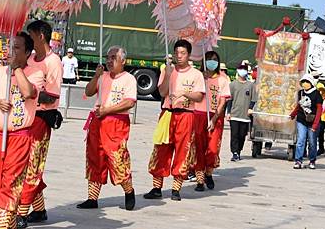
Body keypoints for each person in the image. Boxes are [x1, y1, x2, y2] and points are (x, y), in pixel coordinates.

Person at [0, 32, 43, 229]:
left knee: (11, 187)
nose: (10, 52)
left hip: (20, 138)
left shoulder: (36, 73)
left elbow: (28, 92)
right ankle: (10, 223)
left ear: (28, 52)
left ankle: (1, 225)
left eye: (16, 48)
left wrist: (17, 70)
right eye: (9, 47)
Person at [76, 46, 136, 211]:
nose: (110, 61)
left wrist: (107, 110)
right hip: (97, 122)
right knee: (95, 158)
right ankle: (92, 198)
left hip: (116, 123)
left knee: (118, 160)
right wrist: (96, 76)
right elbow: (88, 92)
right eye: (108, 57)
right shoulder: (102, 76)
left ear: (122, 61)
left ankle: (129, 191)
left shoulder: (129, 79)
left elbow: (130, 102)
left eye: (114, 58)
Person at [144, 39, 205, 202]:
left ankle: (176, 189)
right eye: (177, 53)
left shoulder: (196, 74)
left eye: (183, 53)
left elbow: (199, 96)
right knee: (161, 149)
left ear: (189, 55)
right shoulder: (167, 70)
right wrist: (169, 73)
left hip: (186, 115)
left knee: (183, 151)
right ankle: (157, 188)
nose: (179, 56)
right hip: (167, 114)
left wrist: (185, 93)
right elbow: (162, 92)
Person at [17, 20, 63, 226]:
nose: (30, 40)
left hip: (41, 120)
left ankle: (21, 213)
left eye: (31, 36)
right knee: (22, 164)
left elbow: (51, 97)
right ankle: (40, 209)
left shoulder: (54, 62)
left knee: (32, 166)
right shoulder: (32, 59)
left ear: (41, 37)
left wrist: (30, 94)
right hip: (24, 117)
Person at [193, 51, 231, 191]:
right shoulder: (199, 77)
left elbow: (222, 102)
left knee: (213, 149)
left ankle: (209, 173)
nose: (212, 62)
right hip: (199, 115)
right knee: (199, 147)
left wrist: (214, 119)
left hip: (216, 117)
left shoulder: (223, 79)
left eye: (215, 60)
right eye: (209, 60)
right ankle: (199, 180)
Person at [290, 74, 322, 169]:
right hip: (301, 120)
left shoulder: (317, 94)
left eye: (307, 82)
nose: (304, 84)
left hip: (313, 122)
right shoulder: (300, 93)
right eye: (303, 81)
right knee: (300, 140)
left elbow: (319, 110)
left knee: (312, 142)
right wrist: (293, 114)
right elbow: (299, 106)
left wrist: (315, 125)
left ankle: (312, 160)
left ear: (311, 83)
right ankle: (298, 161)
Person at [226, 63, 257, 161]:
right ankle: (234, 152)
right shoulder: (232, 85)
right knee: (234, 135)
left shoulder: (250, 85)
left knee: (242, 135)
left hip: (245, 116)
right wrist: (228, 112)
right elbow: (229, 100)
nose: (242, 71)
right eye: (241, 69)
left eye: (244, 69)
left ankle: (239, 150)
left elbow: (253, 99)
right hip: (235, 114)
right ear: (237, 71)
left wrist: (250, 108)